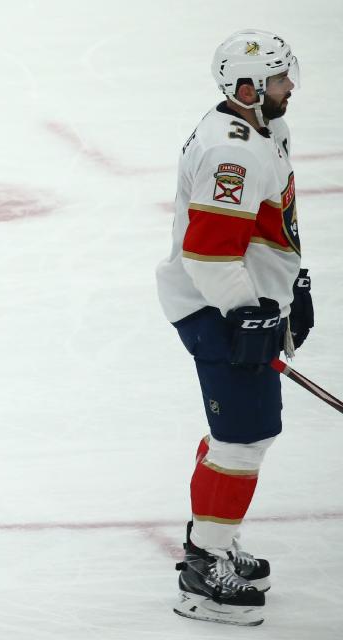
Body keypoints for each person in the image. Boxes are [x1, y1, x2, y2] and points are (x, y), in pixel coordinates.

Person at [155, 30, 313, 626]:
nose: (289, 86)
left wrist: (293, 285)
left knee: (243, 434)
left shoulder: (266, 129)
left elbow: (274, 219)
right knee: (244, 437)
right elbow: (209, 252)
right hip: (215, 306)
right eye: (278, 79)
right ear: (246, 89)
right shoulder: (234, 151)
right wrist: (249, 312)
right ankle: (205, 572)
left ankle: (208, 539)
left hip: (241, 299)